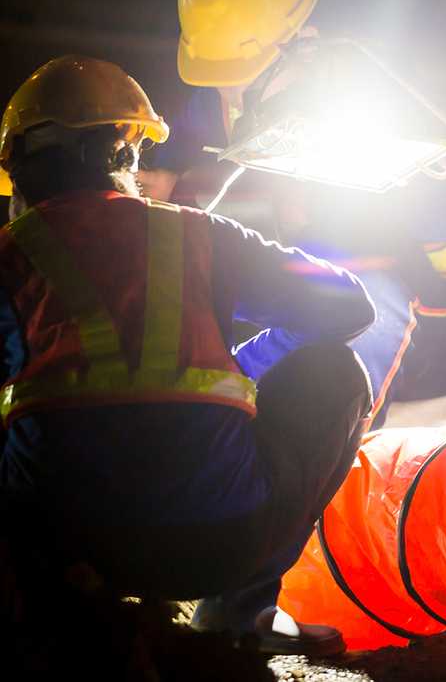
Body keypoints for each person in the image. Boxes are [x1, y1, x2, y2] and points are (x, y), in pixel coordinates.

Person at [0, 55, 376, 655]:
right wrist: (235, 368)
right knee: (336, 373)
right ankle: (235, 619)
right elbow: (349, 309)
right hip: (216, 545)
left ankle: (45, 620)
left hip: (63, 551)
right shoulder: (195, 232)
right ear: (125, 151)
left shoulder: (10, 255)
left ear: (17, 170)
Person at [146, 0, 446, 428]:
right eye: (219, 82)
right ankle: (214, 415)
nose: (233, 103)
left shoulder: (375, 111)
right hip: (314, 285)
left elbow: (436, 234)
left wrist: (401, 175)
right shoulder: (226, 98)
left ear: (305, 43)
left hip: (428, 317)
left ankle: (330, 451)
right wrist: (164, 167)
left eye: (245, 80)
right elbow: (192, 126)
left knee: (363, 309)